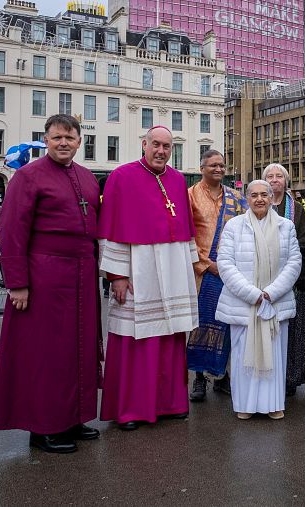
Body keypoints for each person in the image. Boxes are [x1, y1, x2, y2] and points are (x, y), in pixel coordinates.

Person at [0, 114, 101, 454]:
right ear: (46, 140)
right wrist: (17, 283)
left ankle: (73, 417)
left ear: (80, 141)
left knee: (78, 349)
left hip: (82, 274)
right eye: (56, 138)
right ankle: (44, 427)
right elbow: (11, 231)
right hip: (44, 276)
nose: (63, 143)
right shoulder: (27, 177)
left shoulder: (87, 177)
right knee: (47, 353)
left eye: (70, 137)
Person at [97, 126, 199, 431]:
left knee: (171, 337)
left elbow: (185, 227)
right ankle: (130, 410)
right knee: (135, 341)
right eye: (156, 144)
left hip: (173, 268)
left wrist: (189, 269)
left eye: (167, 146)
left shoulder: (178, 179)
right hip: (138, 269)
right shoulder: (122, 176)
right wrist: (117, 275)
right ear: (144, 145)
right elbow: (112, 227)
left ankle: (171, 403)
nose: (161, 151)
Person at [215, 179, 301, 420]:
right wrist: (253, 294)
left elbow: (294, 263)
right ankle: (245, 405)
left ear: (273, 197)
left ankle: (273, 404)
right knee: (243, 358)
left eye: (265, 194)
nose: (260, 199)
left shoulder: (286, 226)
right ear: (247, 198)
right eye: (254, 195)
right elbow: (225, 263)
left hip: (275, 303)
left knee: (275, 355)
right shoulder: (234, 226)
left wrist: (271, 293)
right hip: (243, 304)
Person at [187, 150, 247, 401]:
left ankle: (222, 376)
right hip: (202, 272)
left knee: (227, 324)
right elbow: (185, 236)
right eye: (213, 165)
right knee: (201, 324)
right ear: (202, 168)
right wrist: (205, 263)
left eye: (222, 165)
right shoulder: (189, 196)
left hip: (230, 272)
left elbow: (246, 232)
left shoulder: (236, 197)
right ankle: (200, 377)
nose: (219, 169)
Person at [264, 163, 305, 397]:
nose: (275, 180)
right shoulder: (257, 203)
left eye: (279, 177)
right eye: (270, 176)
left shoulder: (295, 208)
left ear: (286, 181)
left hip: (293, 275)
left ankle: (291, 377)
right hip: (263, 276)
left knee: (294, 330)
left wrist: (283, 254)